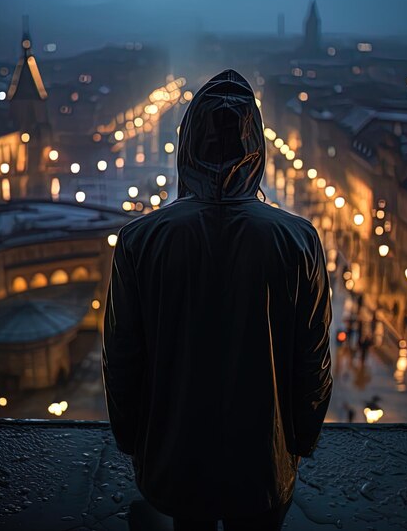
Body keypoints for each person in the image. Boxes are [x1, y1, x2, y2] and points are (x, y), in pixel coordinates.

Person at [102, 69, 334, 530]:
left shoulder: (139, 240)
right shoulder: (298, 240)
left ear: (187, 145)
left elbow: (123, 358)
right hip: (264, 463)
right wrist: (299, 441)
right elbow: (312, 360)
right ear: (257, 152)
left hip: (175, 455)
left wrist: (133, 439)